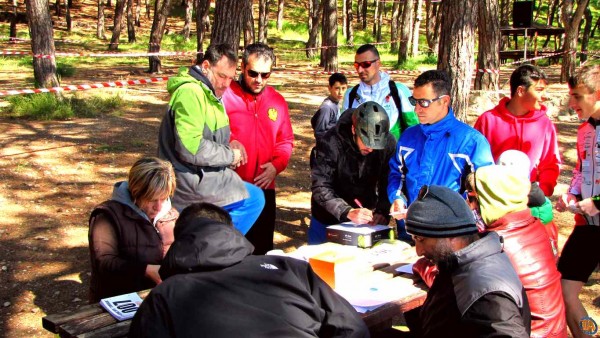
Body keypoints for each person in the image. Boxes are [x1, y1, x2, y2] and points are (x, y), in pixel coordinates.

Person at [129, 203, 369, 338]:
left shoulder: (167, 295)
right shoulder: (288, 267)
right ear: (231, 233)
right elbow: (352, 327)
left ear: (182, 243)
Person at [157, 43, 265, 236]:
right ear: (206, 66)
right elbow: (190, 148)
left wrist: (229, 142)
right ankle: (213, 246)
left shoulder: (208, 92)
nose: (226, 84)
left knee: (250, 195)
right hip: (185, 180)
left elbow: (207, 135)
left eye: (231, 79)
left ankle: (209, 243)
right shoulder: (191, 93)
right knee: (254, 199)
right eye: (222, 76)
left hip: (200, 175)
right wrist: (230, 155)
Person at [406, 185, 531, 337]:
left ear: (450, 235)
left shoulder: (486, 292)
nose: (418, 251)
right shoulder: (458, 265)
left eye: (421, 239)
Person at [387, 70, 494, 242]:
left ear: (444, 101)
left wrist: (449, 214)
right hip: (410, 231)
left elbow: (483, 191)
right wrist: (397, 198)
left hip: (450, 236)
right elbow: (396, 174)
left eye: (424, 102)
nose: (416, 109)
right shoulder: (408, 137)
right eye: (414, 101)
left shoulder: (471, 141)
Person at [465, 165, 567, 337]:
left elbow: (456, 283)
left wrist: (425, 266)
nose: (469, 205)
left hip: (525, 331)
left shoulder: (494, 244)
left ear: (490, 200)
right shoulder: (536, 225)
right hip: (555, 330)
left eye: (472, 198)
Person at [222, 43, 294, 255]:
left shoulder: (277, 101)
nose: (259, 80)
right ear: (242, 68)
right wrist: (230, 141)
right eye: (253, 73)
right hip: (230, 189)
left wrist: (276, 166)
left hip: (264, 188)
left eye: (265, 74)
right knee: (229, 251)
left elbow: (286, 140)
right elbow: (211, 134)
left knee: (262, 251)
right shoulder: (224, 96)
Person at [88, 157, 179, 303]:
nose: (159, 206)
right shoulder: (107, 216)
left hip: (160, 297)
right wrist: (146, 270)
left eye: (164, 198)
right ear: (136, 192)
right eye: (151, 199)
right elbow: (104, 262)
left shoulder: (170, 214)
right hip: (119, 299)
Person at [555, 63, 600, 338]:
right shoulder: (585, 130)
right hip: (588, 225)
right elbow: (581, 170)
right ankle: (588, 335)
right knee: (564, 289)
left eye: (578, 96)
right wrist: (572, 193)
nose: (571, 103)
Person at [309, 101, 395, 244]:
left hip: (364, 218)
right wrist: (346, 211)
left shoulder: (388, 143)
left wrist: (382, 211)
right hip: (327, 216)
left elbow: (389, 179)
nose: (371, 149)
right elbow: (321, 186)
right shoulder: (331, 142)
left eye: (375, 145)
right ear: (354, 130)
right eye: (366, 142)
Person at [474, 64, 561, 198]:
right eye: (539, 90)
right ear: (520, 91)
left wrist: (542, 192)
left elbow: (550, 163)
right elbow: (475, 161)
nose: (544, 96)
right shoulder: (488, 120)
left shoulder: (544, 123)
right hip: (493, 198)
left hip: (529, 200)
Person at [342, 43, 418, 140]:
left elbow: (414, 127)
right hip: (361, 154)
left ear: (378, 63)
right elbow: (343, 130)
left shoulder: (398, 91)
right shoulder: (351, 94)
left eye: (365, 64)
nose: (360, 70)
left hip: (393, 153)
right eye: (357, 65)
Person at [311, 72, 348, 144]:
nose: (340, 92)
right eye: (337, 88)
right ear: (329, 88)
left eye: (343, 88)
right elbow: (319, 133)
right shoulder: (327, 107)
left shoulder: (336, 102)